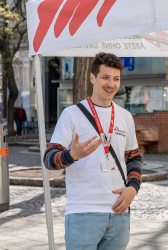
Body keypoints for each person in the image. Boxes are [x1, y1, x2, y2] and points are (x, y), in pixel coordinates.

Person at [43, 53, 142, 250]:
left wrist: (133, 188)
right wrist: (71, 155)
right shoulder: (72, 114)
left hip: (119, 214)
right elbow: (49, 159)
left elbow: (134, 157)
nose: (111, 84)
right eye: (105, 77)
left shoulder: (125, 116)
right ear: (92, 78)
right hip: (83, 213)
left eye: (116, 79)